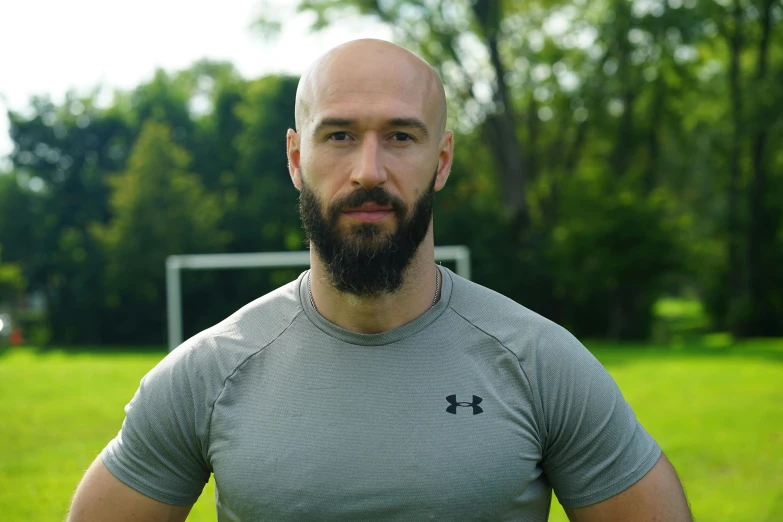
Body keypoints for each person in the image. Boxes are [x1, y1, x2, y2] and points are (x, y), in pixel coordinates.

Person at [67, 39, 692, 521]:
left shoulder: (539, 361)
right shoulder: (210, 371)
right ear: (295, 158)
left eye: (400, 136)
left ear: (441, 160)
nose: (370, 170)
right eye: (339, 135)